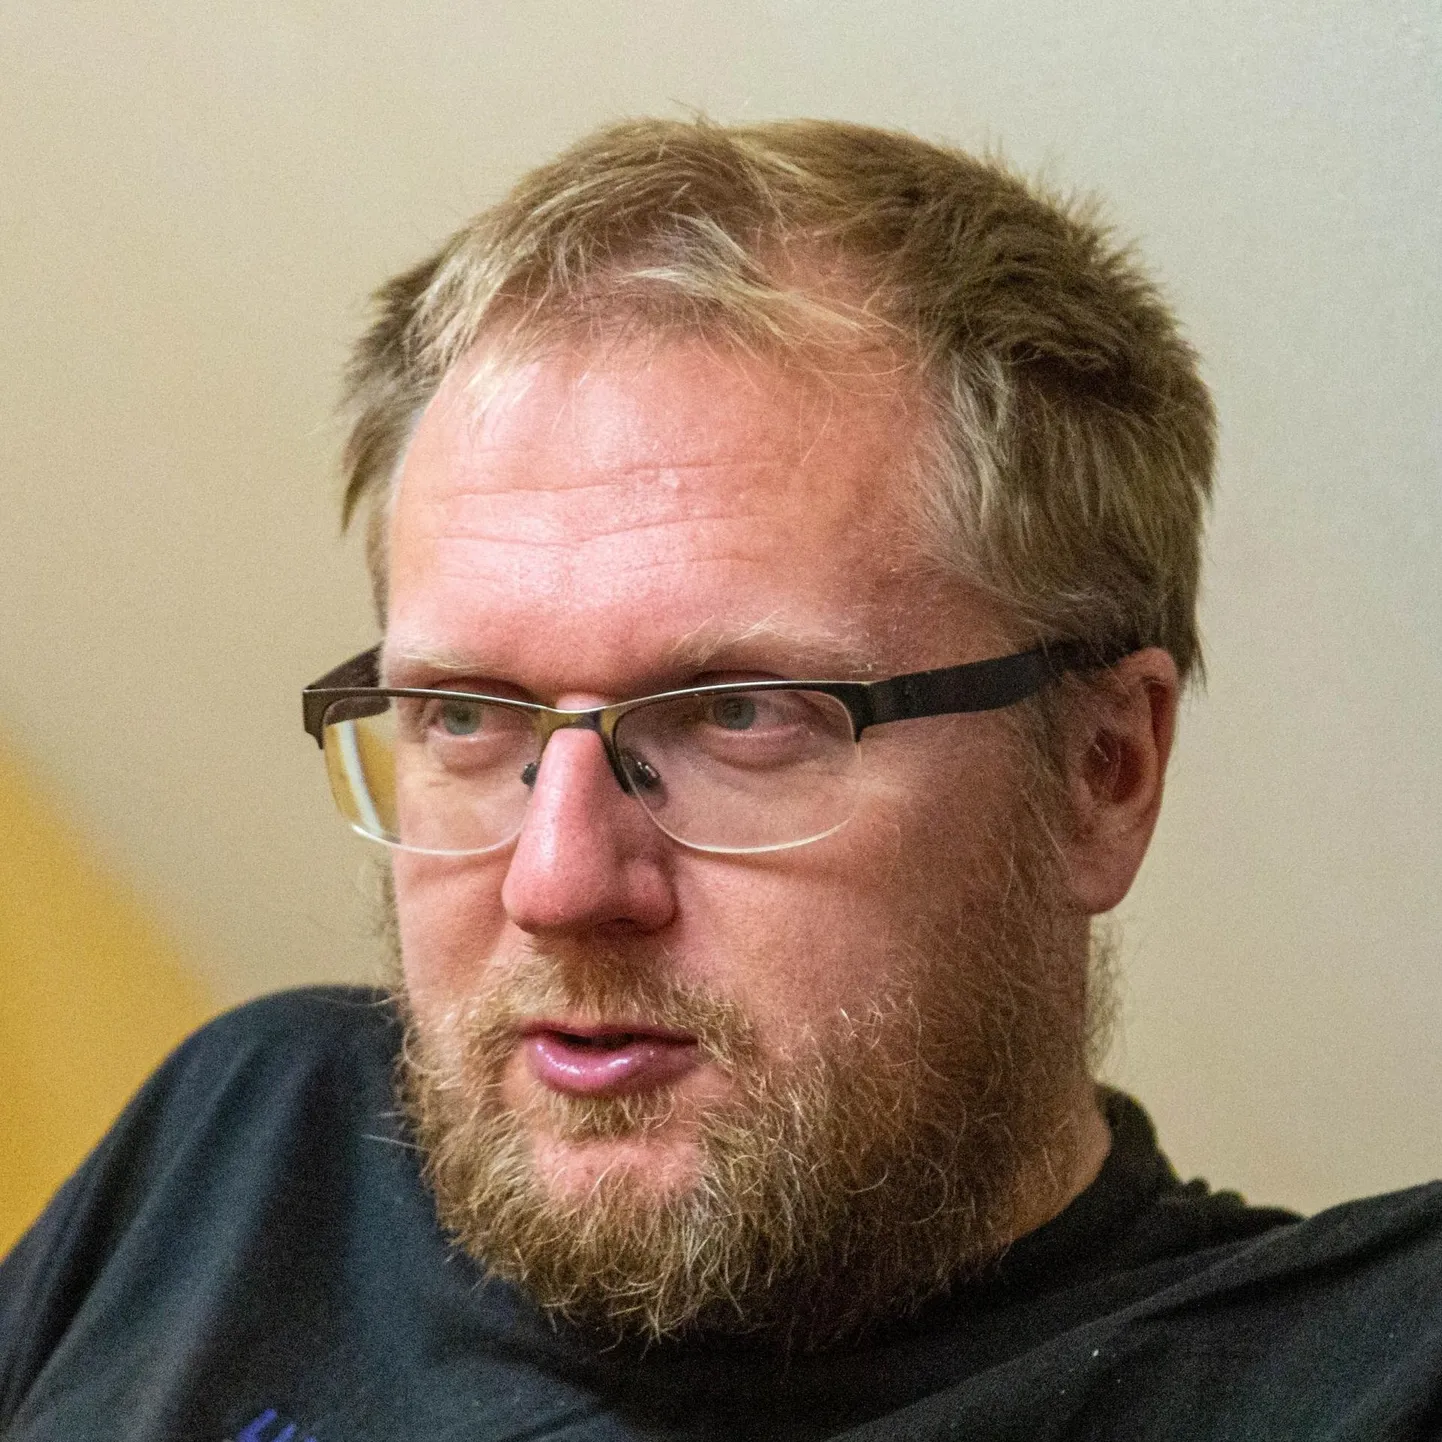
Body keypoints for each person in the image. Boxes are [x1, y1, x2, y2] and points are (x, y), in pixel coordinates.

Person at [3, 117, 1439, 1442]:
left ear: (1101, 773)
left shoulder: (1349, 1374)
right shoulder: (255, 1141)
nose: (559, 880)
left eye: (740, 716)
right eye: (465, 715)